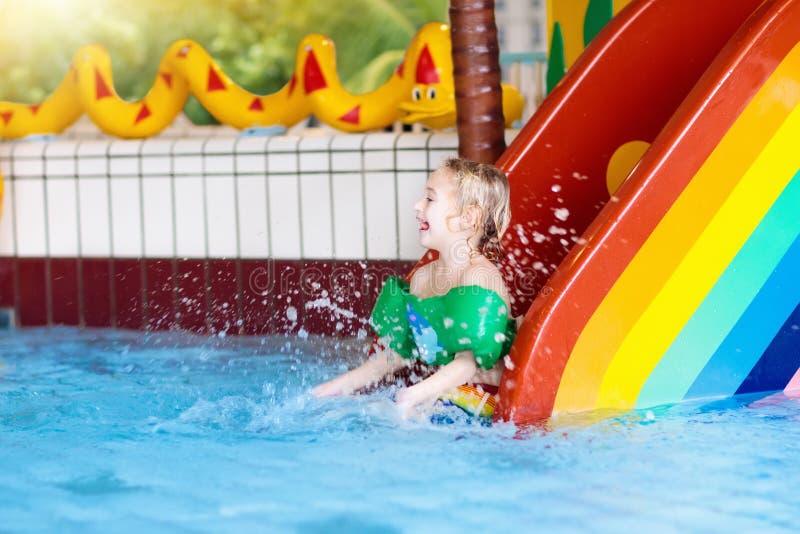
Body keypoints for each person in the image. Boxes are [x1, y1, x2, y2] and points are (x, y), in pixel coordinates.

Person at [311, 157, 515, 420]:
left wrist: (411, 396)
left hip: (485, 397)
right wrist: (330, 390)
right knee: (360, 414)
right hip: (443, 393)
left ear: (468, 217)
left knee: (397, 415)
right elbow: (397, 355)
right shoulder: (422, 278)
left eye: (430, 199)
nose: (417, 206)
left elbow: (466, 364)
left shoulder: (480, 277)